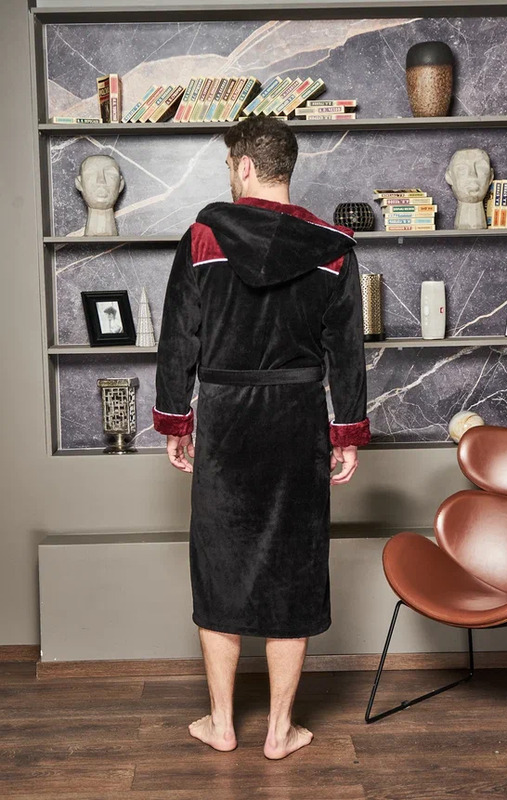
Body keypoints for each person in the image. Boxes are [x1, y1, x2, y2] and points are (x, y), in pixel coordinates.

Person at [152, 115, 370, 760]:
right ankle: (280, 731)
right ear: (284, 168)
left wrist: (177, 420)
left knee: (220, 564)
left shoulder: (202, 236)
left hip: (224, 418)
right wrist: (346, 433)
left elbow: (178, 338)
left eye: (229, 165)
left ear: (244, 166)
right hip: (297, 420)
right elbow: (346, 352)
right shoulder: (334, 246)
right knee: (292, 568)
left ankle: (221, 724)